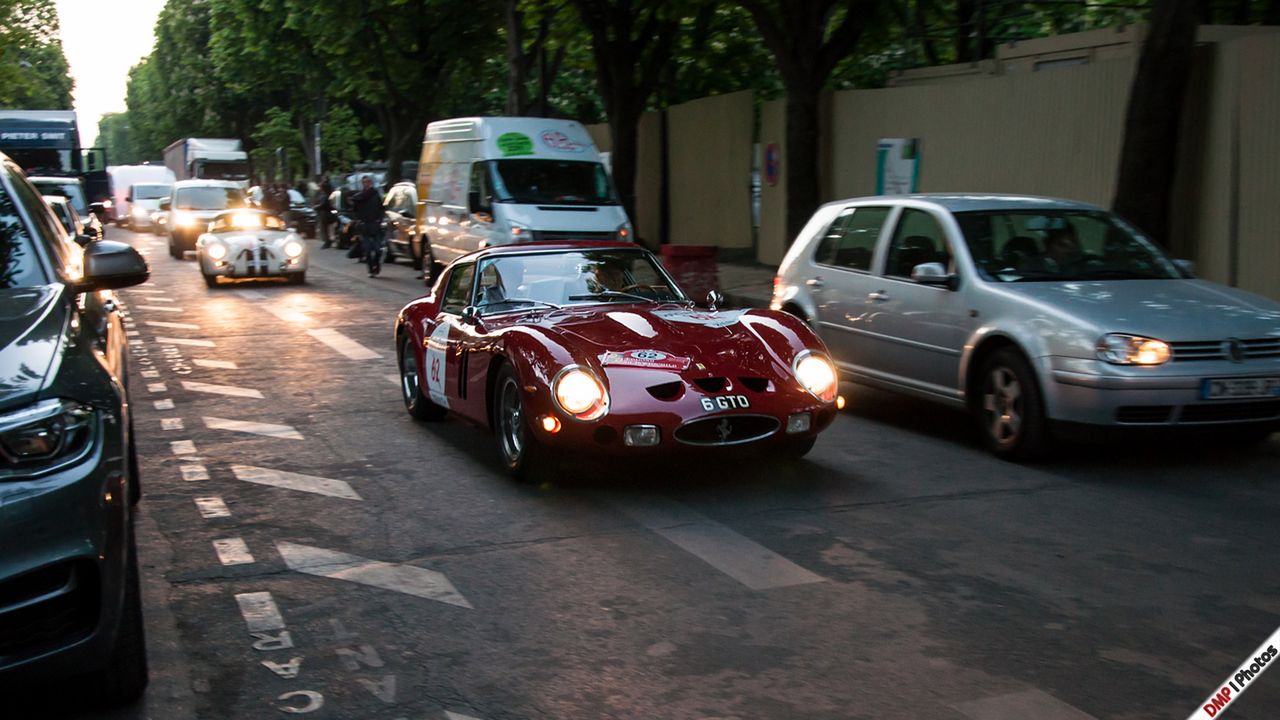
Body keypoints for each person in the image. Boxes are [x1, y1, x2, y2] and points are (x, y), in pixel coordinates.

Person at [350, 175, 385, 277]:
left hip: (375, 225)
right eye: (364, 182)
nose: (366, 184)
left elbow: (381, 209)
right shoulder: (359, 197)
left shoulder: (376, 195)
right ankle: (371, 270)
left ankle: (376, 264)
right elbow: (355, 210)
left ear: (371, 183)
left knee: (378, 249)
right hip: (364, 226)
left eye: (368, 182)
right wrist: (358, 221)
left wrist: (380, 220)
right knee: (368, 249)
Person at [316, 178, 335, 248]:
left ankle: (327, 241)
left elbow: (323, 205)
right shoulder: (329, 194)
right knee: (327, 228)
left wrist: (317, 207)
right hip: (328, 213)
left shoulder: (324, 195)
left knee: (324, 228)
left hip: (325, 213)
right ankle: (329, 240)